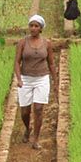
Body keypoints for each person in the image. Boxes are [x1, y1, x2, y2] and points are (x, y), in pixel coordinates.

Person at [14, 14, 58, 150]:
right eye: (31, 25)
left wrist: (55, 80)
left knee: (38, 109)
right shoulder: (22, 43)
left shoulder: (47, 44)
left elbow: (51, 63)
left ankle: (36, 139)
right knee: (25, 111)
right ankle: (28, 128)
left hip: (42, 78)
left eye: (36, 26)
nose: (33, 28)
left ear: (41, 29)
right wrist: (19, 78)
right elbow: (16, 62)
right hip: (26, 79)